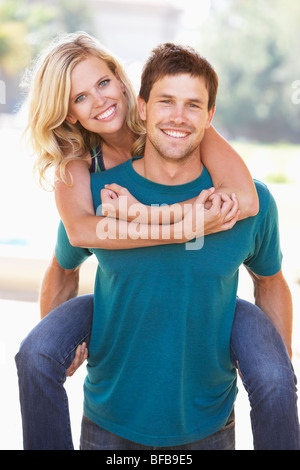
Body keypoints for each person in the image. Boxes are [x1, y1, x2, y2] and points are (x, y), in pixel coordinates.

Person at [15, 34, 298, 450]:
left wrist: (146, 214)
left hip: (207, 399)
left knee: (275, 376)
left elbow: (247, 202)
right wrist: (178, 228)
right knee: (36, 353)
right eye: (79, 98)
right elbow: (75, 242)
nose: (99, 101)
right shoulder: (89, 182)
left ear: (123, 83)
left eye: (103, 84)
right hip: (113, 384)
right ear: (69, 114)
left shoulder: (188, 134)